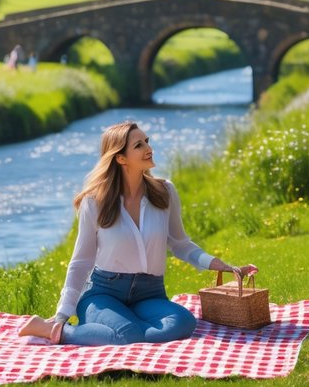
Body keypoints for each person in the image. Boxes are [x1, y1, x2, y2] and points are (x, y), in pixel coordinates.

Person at [19, 120, 256, 346]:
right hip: (103, 294)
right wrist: (62, 315)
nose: (149, 148)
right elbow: (81, 262)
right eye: (138, 145)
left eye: (147, 141)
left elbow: (181, 244)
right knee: (128, 334)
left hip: (149, 293)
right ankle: (55, 330)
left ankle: (112, 331)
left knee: (183, 323)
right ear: (121, 158)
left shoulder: (165, 192)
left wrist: (221, 266)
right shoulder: (95, 201)